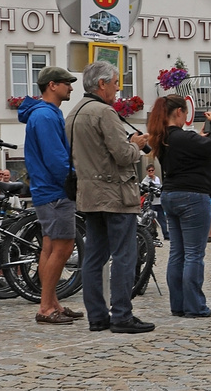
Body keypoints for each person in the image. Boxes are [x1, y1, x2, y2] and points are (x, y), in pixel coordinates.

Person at [65, 60, 153, 334]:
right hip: (116, 193)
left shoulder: (74, 113)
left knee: (93, 257)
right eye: (115, 83)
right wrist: (136, 146)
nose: (118, 89)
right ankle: (122, 315)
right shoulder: (104, 112)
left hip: (89, 194)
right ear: (101, 84)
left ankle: (98, 316)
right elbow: (123, 155)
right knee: (125, 256)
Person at [147, 95, 211, 318]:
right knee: (193, 254)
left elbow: (195, 149)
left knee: (177, 253)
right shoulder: (182, 137)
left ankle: (179, 304)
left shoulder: (163, 139)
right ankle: (195, 306)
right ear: (179, 113)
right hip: (192, 196)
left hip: (170, 195)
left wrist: (200, 137)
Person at [18, 66, 84, 325]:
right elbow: (55, 158)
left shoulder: (43, 114)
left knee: (50, 246)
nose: (70, 87)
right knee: (64, 246)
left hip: (46, 190)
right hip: (55, 190)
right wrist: (74, 180)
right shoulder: (45, 115)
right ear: (52, 85)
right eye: (66, 83)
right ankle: (46, 307)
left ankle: (51, 302)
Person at [140, 164, 167, 242]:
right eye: (149, 171)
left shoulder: (157, 178)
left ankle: (166, 234)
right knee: (151, 221)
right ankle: (152, 236)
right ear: (147, 171)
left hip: (158, 201)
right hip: (151, 202)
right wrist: (148, 192)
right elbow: (143, 192)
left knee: (162, 219)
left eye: (152, 170)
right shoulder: (145, 181)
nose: (151, 172)